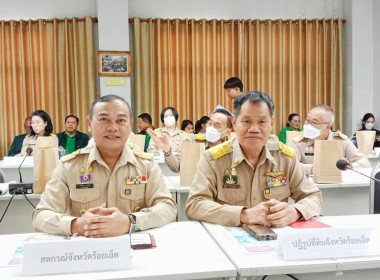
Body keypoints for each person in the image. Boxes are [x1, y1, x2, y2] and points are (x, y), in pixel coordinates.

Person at [32, 94, 176, 237]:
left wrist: (130, 221)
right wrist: (76, 225)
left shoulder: (146, 165)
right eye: (104, 119)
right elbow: (41, 215)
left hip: (133, 248)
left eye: (121, 120)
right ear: (89, 124)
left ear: (129, 126)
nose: (113, 127)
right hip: (88, 251)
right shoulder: (69, 167)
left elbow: (167, 207)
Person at [186, 91, 322, 227]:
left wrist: (295, 211)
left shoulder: (284, 158)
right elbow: (195, 205)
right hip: (228, 240)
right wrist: (242, 215)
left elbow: (313, 197)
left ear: (271, 123)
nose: (254, 129)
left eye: (262, 122)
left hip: (276, 240)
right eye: (246, 121)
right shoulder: (213, 160)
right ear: (234, 122)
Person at [290, 104, 371, 175]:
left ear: (328, 126)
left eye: (314, 122)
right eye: (307, 120)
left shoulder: (341, 141)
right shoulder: (298, 142)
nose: (308, 125)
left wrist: (347, 167)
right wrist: (313, 169)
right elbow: (291, 167)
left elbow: (365, 163)